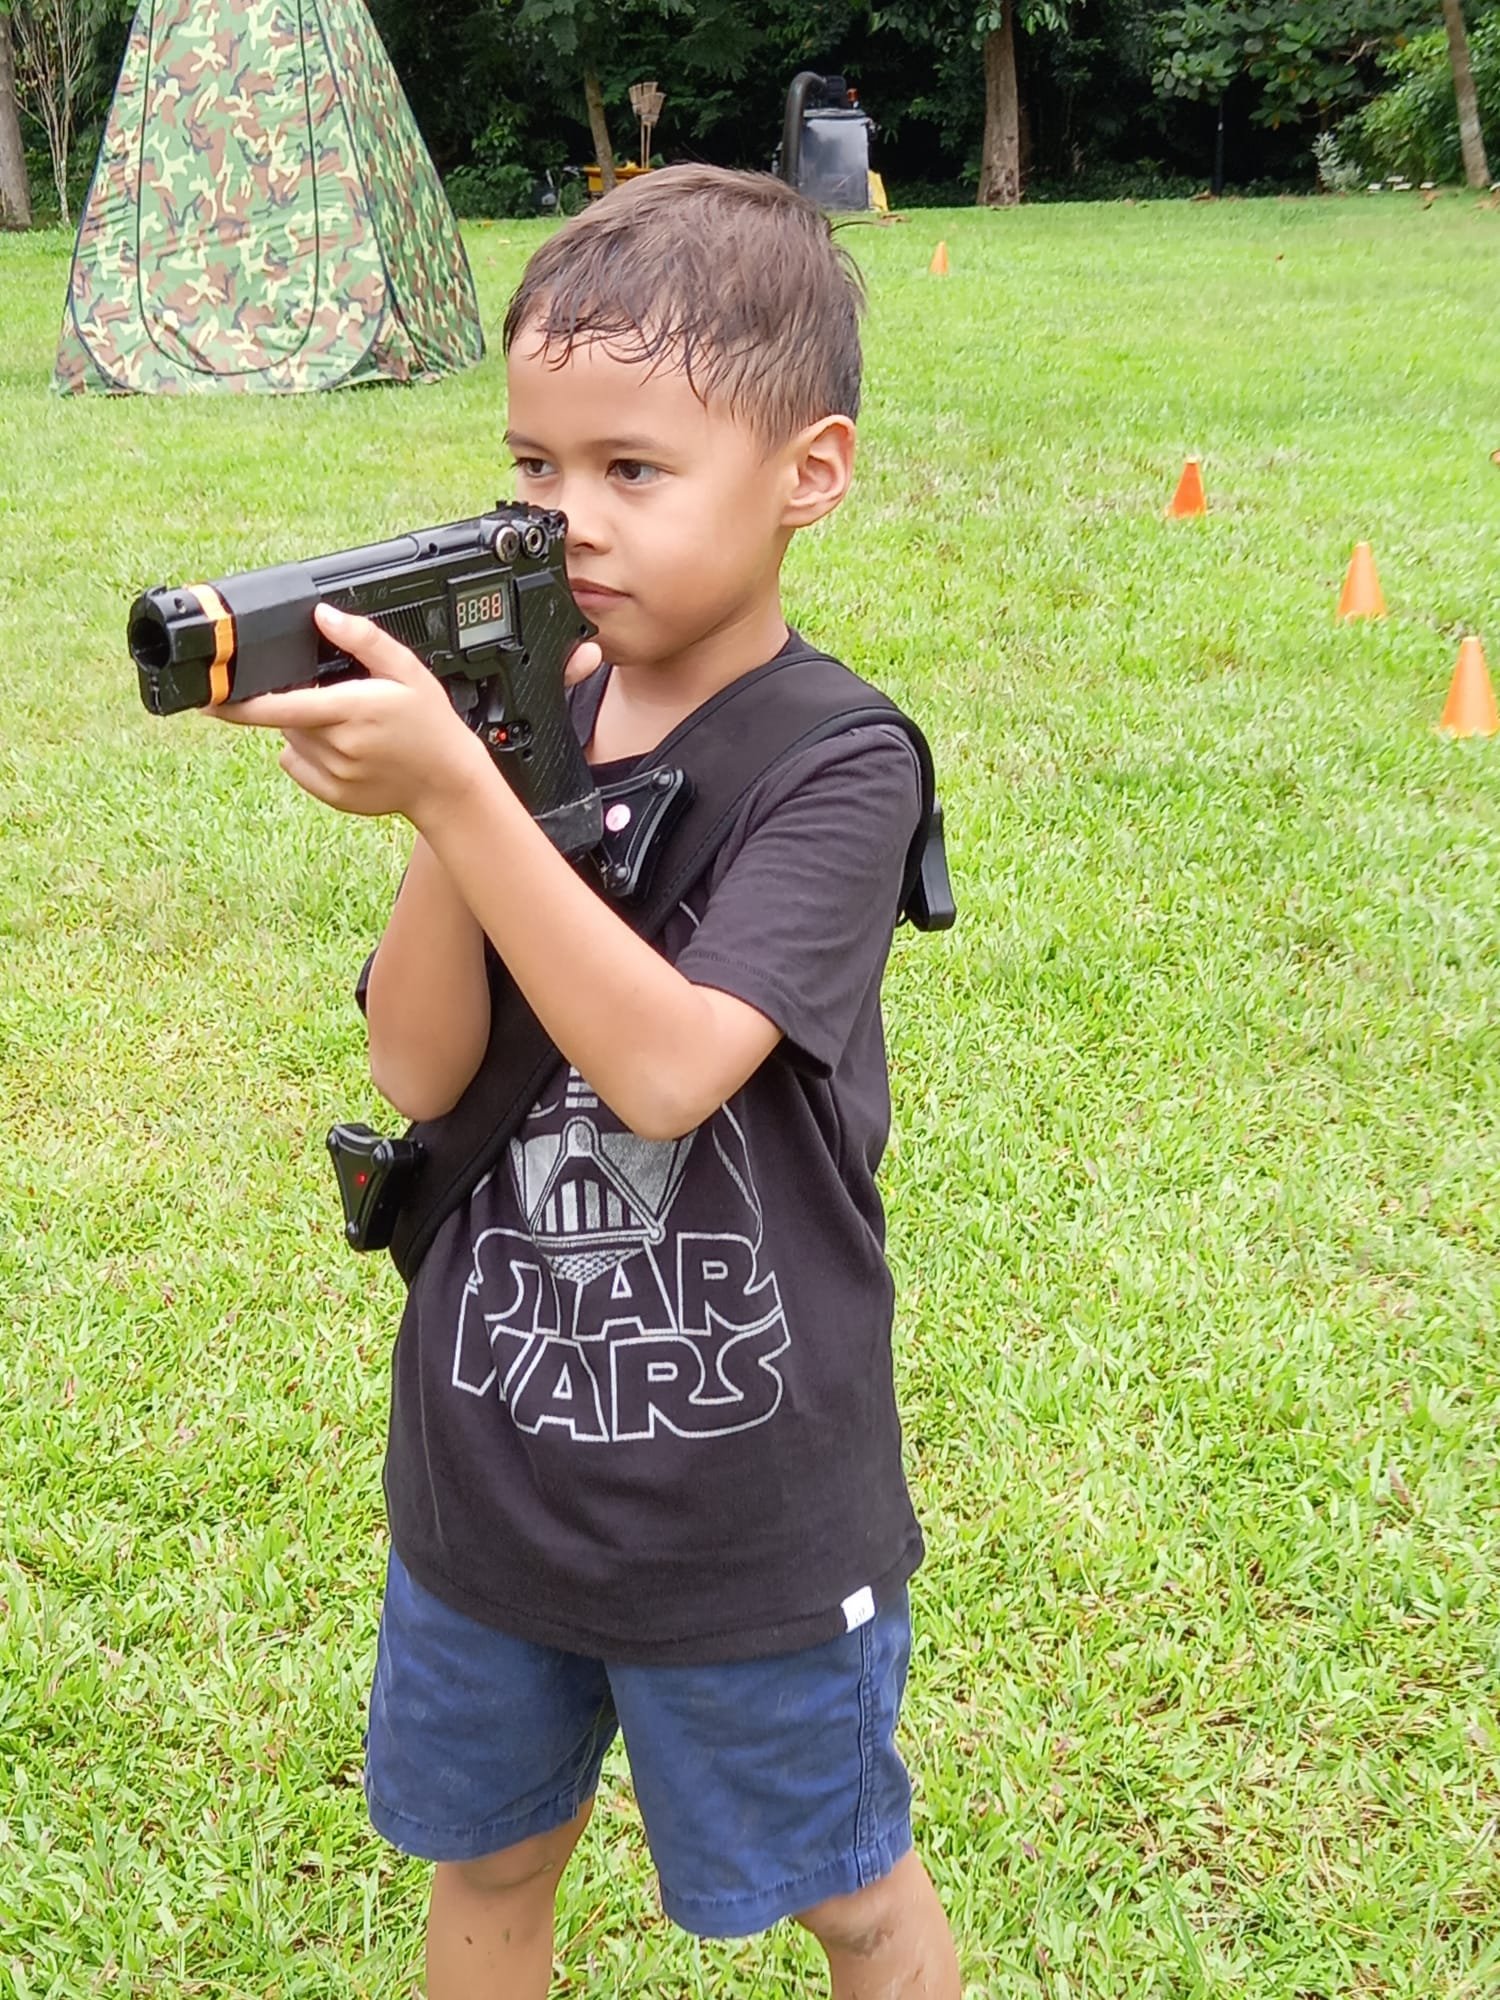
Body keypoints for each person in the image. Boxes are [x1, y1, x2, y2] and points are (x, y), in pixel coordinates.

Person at [221, 165, 960, 2000]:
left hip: (743, 1506)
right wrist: (456, 788)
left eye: (633, 470)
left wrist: (469, 792)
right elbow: (420, 1062)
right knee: (486, 1881)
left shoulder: (837, 762)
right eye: (535, 468)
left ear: (812, 472)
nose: (569, 522)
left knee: (850, 1895)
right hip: (492, 1476)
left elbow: (661, 1073)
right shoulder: (536, 706)